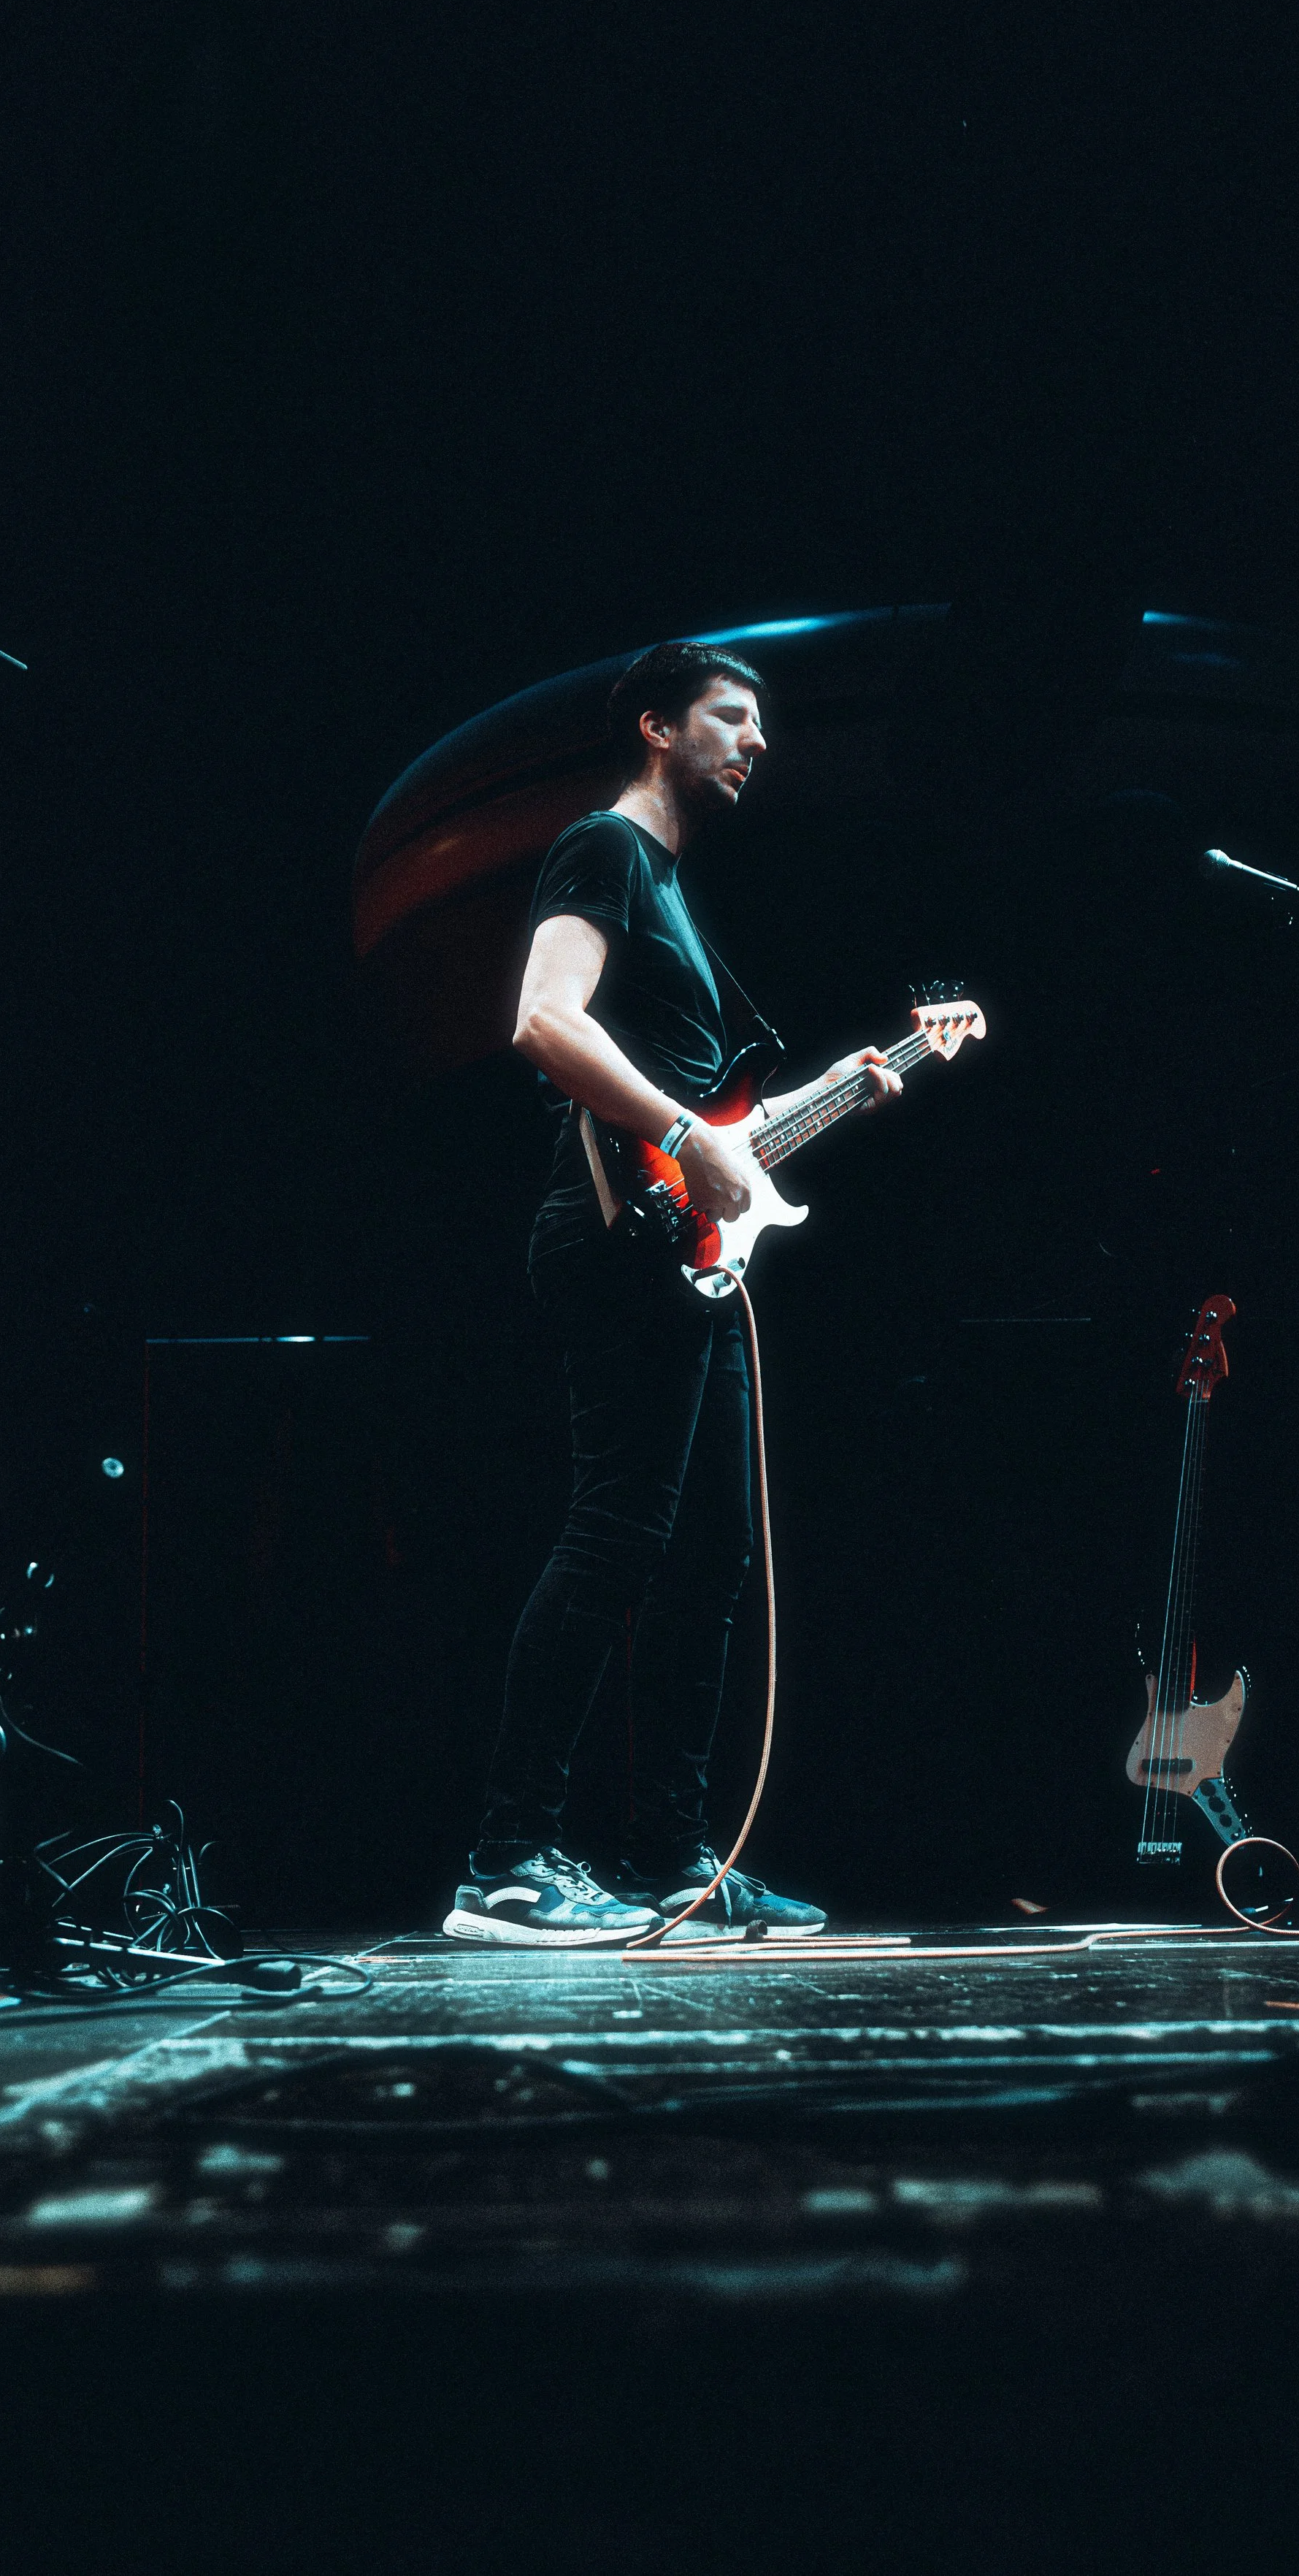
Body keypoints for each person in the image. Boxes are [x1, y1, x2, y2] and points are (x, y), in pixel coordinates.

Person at [443, 639, 901, 1946]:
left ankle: (671, 1859)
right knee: (617, 1535)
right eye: (732, 716)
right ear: (658, 725)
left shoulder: (675, 890)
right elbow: (543, 1018)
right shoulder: (604, 848)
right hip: (611, 1238)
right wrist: (684, 1133)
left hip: (685, 1252)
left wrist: (829, 1095)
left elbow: (722, 1129)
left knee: (710, 1558)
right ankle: (508, 1861)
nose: (758, 742)